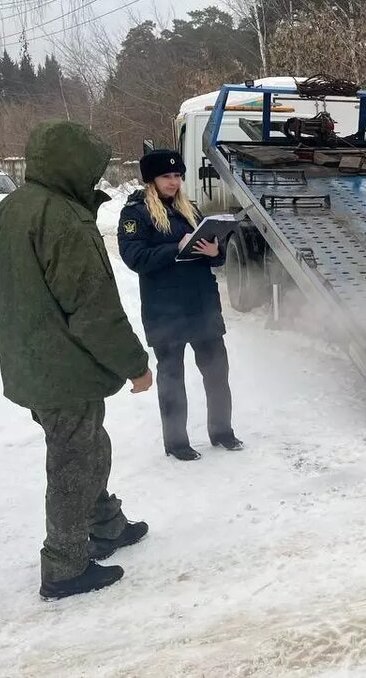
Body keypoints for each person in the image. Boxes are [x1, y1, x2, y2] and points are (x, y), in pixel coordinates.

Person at [0, 120, 153, 601]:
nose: (96, 176)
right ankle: (63, 565)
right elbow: (92, 308)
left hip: (31, 358)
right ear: (72, 164)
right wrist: (134, 364)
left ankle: (106, 524)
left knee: (87, 446)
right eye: (91, 166)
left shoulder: (13, 207)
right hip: (63, 365)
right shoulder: (62, 218)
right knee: (73, 459)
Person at [118, 149, 243, 462]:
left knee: (217, 373)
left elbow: (215, 256)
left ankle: (222, 432)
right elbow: (135, 259)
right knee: (172, 378)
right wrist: (176, 247)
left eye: (177, 176)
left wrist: (215, 250)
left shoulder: (191, 210)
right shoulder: (136, 213)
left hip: (203, 305)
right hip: (165, 311)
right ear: (152, 180)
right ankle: (176, 442)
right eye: (166, 176)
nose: (174, 182)